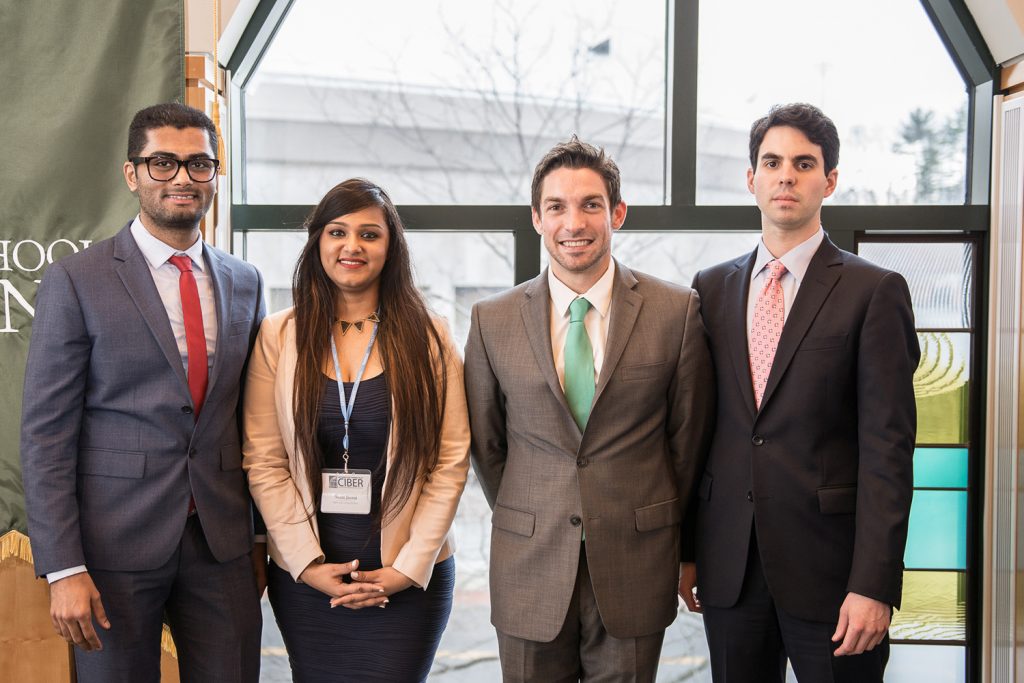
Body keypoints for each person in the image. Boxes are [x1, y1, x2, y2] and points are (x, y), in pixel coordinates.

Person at [19, 102, 265, 681]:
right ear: (132, 175)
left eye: (199, 164)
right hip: (110, 553)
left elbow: (250, 417)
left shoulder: (245, 281)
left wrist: (257, 537)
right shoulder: (77, 280)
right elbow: (45, 434)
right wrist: (63, 568)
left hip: (223, 545)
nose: (183, 177)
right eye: (163, 163)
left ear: (214, 174)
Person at [684, 103, 920, 682]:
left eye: (803, 163)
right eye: (772, 162)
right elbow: (696, 431)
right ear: (751, 179)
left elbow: (889, 451)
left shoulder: (875, 292)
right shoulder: (710, 289)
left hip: (836, 579)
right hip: (731, 571)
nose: (785, 175)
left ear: (829, 181)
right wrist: (688, 551)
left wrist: (874, 583)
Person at [464, 136, 715, 682]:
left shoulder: (676, 311)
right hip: (529, 561)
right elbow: (487, 445)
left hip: (635, 560)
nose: (572, 222)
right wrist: (535, 506)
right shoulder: (492, 320)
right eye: (556, 206)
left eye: (590, 205)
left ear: (617, 213)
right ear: (536, 217)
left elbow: (687, 441)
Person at [242, 177, 470, 682]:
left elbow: (450, 460)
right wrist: (305, 565)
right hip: (308, 575)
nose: (352, 246)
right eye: (337, 232)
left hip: (409, 577)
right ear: (317, 242)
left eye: (370, 234)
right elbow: (264, 459)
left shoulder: (431, 335)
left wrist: (405, 570)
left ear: (391, 247)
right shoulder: (279, 336)